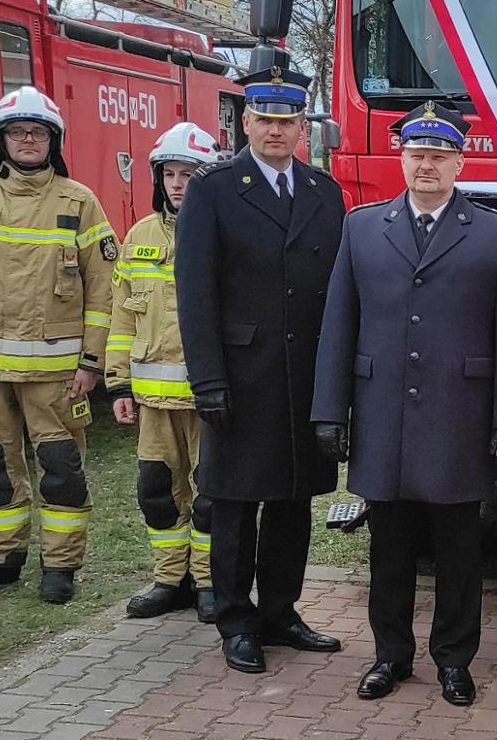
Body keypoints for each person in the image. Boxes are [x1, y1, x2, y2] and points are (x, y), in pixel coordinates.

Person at [311, 101, 497, 707]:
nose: (427, 165)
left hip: (457, 419)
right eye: (417, 155)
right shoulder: (361, 227)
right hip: (381, 413)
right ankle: (391, 656)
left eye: (439, 155)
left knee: (461, 552)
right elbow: (339, 323)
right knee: (389, 550)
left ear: (459, 161)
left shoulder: (495, 232)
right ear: (402, 159)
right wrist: (329, 410)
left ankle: (454, 660)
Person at [175, 65, 346, 674]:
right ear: (245, 121)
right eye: (266, 119)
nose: (277, 130)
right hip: (241, 378)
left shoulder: (326, 192)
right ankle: (235, 618)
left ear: (304, 126)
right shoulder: (214, 189)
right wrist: (208, 380)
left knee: (294, 499)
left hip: (304, 376)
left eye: (289, 120)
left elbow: (336, 292)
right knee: (235, 502)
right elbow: (194, 293)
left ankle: (280, 609)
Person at [0, 86, 114, 604]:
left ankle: (60, 566)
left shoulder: (79, 202)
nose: (27, 140)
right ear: (1, 139)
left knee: (61, 471)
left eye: (37, 132)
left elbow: (103, 291)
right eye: (17, 132)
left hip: (56, 374)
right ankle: (0, 556)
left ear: (53, 139)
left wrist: (92, 362)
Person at [108, 122, 224, 622]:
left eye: (190, 174)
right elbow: (122, 318)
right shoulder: (139, 236)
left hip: (208, 401)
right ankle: (168, 579)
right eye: (170, 174)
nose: (178, 184)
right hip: (153, 401)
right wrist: (117, 383)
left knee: (211, 496)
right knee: (156, 491)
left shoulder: (224, 231)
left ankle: (208, 582)